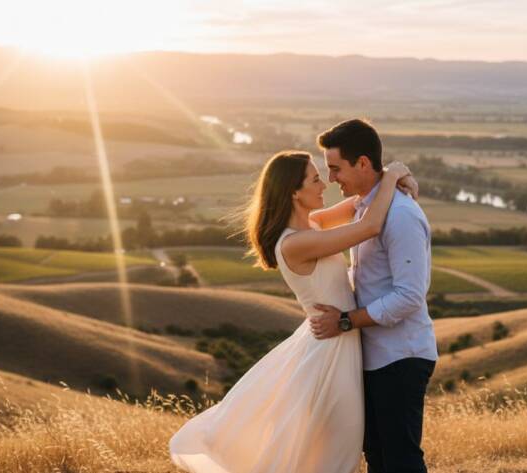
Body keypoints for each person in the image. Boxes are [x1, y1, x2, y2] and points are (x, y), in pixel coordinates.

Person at [169, 147, 417, 473]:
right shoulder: (294, 244)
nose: (325, 184)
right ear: (294, 192)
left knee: (335, 452)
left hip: (337, 342)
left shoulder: (311, 225)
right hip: (329, 354)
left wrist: (390, 178)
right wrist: (395, 172)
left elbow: (361, 202)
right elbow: (369, 225)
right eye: (315, 179)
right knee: (336, 455)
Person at [309, 118, 438, 473]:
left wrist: (345, 321)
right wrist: (394, 174)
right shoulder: (365, 206)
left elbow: (409, 296)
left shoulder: (400, 215)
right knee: (378, 457)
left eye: (336, 168)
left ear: (363, 163)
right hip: (373, 356)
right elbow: (314, 221)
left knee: (401, 460)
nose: (331, 178)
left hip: (401, 355)